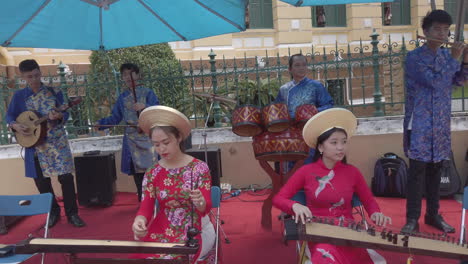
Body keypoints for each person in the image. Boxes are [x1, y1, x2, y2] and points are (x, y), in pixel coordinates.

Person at [273, 108, 392, 264]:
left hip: (349, 232)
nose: (341, 147)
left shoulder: (352, 172)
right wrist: (295, 206)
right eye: (334, 142)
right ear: (321, 147)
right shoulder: (306, 172)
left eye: (344, 142)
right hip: (319, 233)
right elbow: (278, 198)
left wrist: (376, 213)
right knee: (327, 257)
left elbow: (368, 200)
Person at [401, 10, 468, 234]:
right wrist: (455, 59)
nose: (442, 34)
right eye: (437, 29)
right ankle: (411, 218)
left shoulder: (445, 57)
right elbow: (434, 82)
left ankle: (433, 215)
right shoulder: (414, 58)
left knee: (436, 171)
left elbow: (458, 82)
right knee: (417, 173)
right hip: (418, 124)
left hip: (440, 124)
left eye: (445, 30)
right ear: (425, 32)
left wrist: (464, 61)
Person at [5, 59, 85, 228]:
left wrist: (59, 116)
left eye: (36, 75)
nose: (34, 79)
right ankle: (53, 212)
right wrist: (15, 125)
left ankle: (72, 214)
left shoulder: (54, 92)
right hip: (35, 144)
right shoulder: (19, 96)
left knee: (66, 177)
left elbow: (66, 115)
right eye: (29, 77)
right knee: (41, 181)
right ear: (23, 77)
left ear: (40, 73)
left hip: (56, 141)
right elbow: (10, 116)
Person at [132, 106, 216, 263]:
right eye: (156, 145)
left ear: (178, 137)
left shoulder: (199, 168)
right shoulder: (153, 172)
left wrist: (201, 202)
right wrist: (139, 221)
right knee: (143, 259)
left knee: (173, 259)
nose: (161, 149)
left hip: (193, 229)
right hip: (162, 228)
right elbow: (146, 207)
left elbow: (206, 207)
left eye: (166, 142)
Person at [96, 63, 159, 202]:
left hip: (148, 138)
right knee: (137, 174)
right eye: (124, 75)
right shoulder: (123, 97)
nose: (127, 77)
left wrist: (145, 106)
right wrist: (101, 124)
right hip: (132, 139)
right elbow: (115, 117)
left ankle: (156, 200)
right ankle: (142, 201)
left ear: (137, 75)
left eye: (131, 74)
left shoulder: (148, 93)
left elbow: (157, 111)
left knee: (153, 172)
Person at [275, 53, 334, 166]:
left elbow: (328, 105)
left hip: (310, 132)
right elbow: (279, 110)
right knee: (290, 167)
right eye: (297, 65)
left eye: (304, 65)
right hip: (291, 133)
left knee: (310, 164)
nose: (301, 68)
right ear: (290, 69)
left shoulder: (316, 86)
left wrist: (312, 112)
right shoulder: (284, 89)